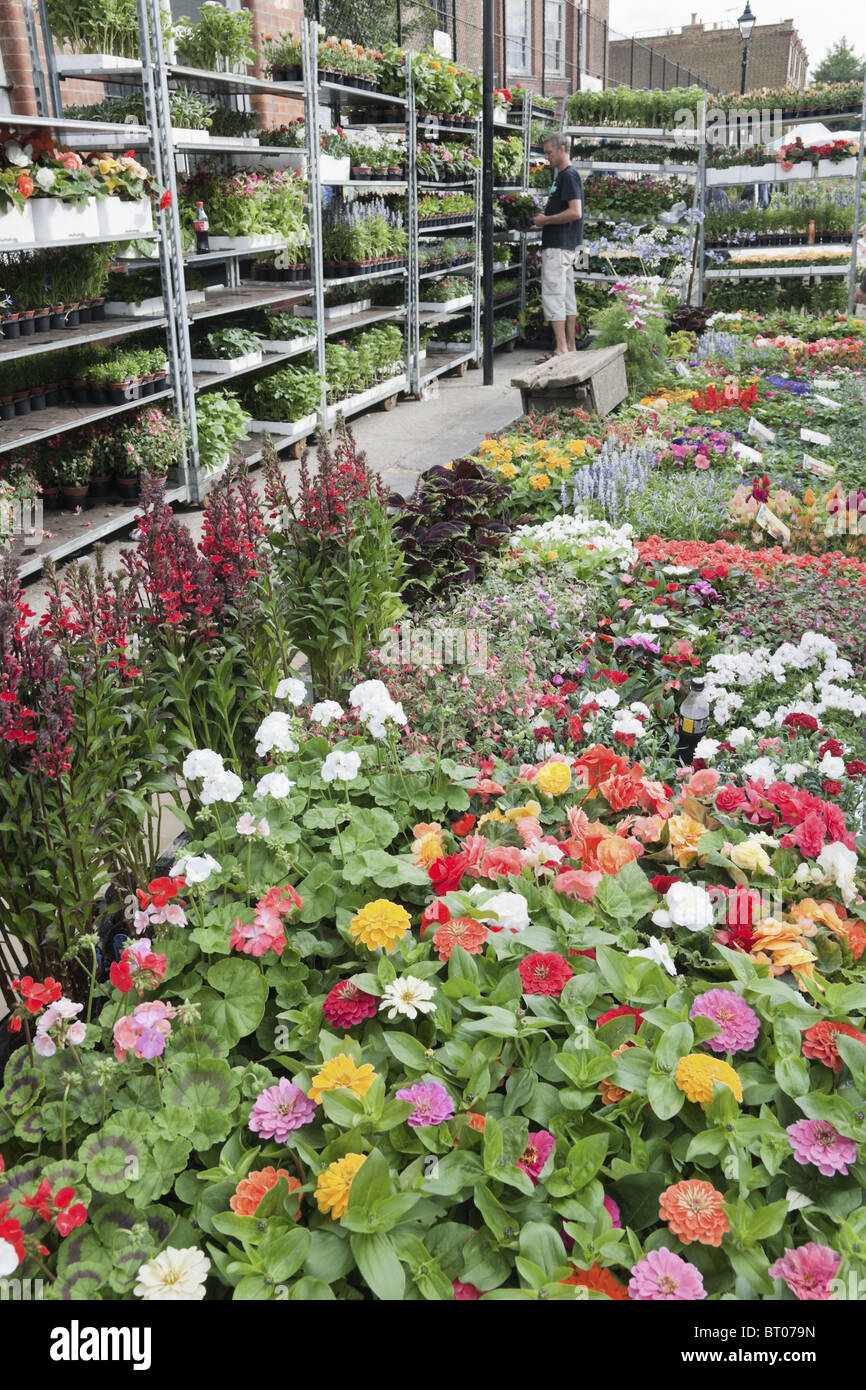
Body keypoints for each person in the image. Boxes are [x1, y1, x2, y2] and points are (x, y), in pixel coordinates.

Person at [531, 132, 583, 361]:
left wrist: (546, 221)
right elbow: (557, 213)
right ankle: (570, 346)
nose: (547, 157)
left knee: (553, 295)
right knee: (566, 296)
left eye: (549, 153)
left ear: (562, 149)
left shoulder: (568, 175)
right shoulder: (562, 176)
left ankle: (561, 348)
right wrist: (536, 224)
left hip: (559, 247)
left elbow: (575, 212)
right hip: (565, 245)